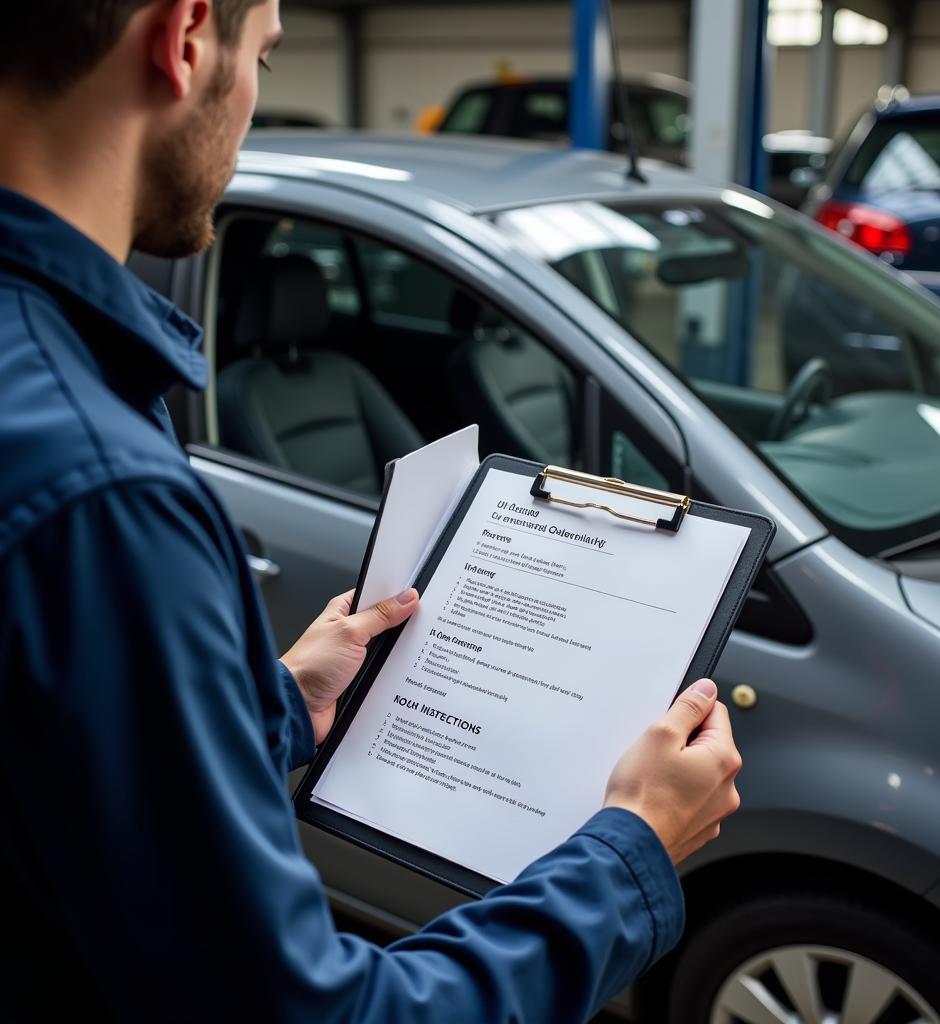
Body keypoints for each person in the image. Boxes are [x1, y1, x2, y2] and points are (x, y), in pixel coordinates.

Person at [0, 2, 743, 1020]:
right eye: (259, 55)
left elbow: (54, 782)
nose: (255, 101)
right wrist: (630, 848)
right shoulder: (104, 497)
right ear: (183, 41)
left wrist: (278, 703)